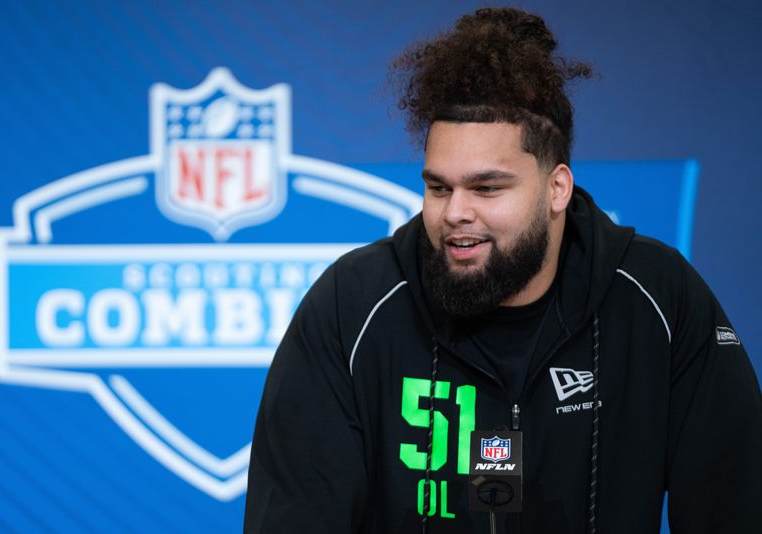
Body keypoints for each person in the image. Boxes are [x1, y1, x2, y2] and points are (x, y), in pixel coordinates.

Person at [244, 7, 762, 533]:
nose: (455, 213)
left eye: (487, 188)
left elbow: (736, 506)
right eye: (439, 187)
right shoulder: (351, 306)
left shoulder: (659, 299)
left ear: (556, 188)